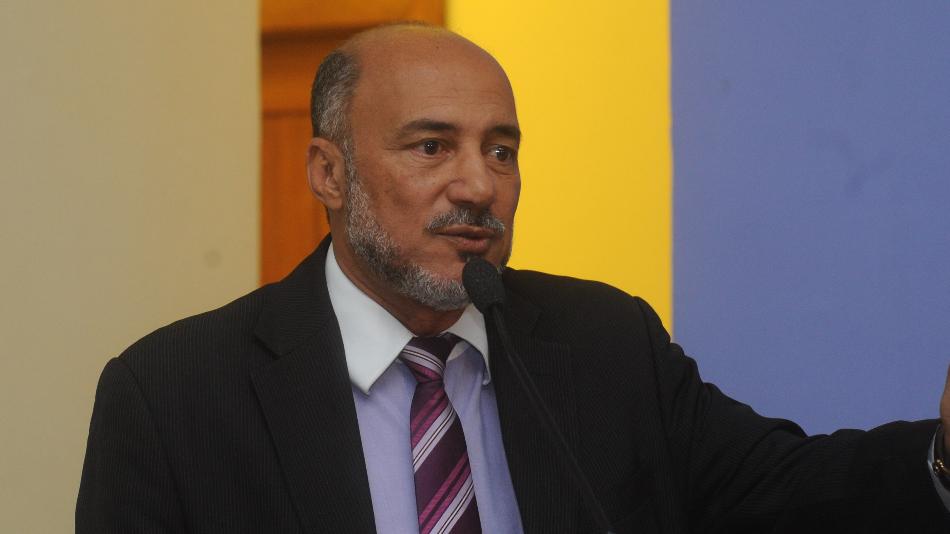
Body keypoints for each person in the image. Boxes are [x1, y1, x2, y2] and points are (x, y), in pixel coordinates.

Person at [77, 23, 950, 533]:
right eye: (432, 146)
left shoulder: (603, 344)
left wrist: (943, 455)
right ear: (328, 173)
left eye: (501, 151)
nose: (479, 185)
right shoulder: (173, 397)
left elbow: (783, 492)